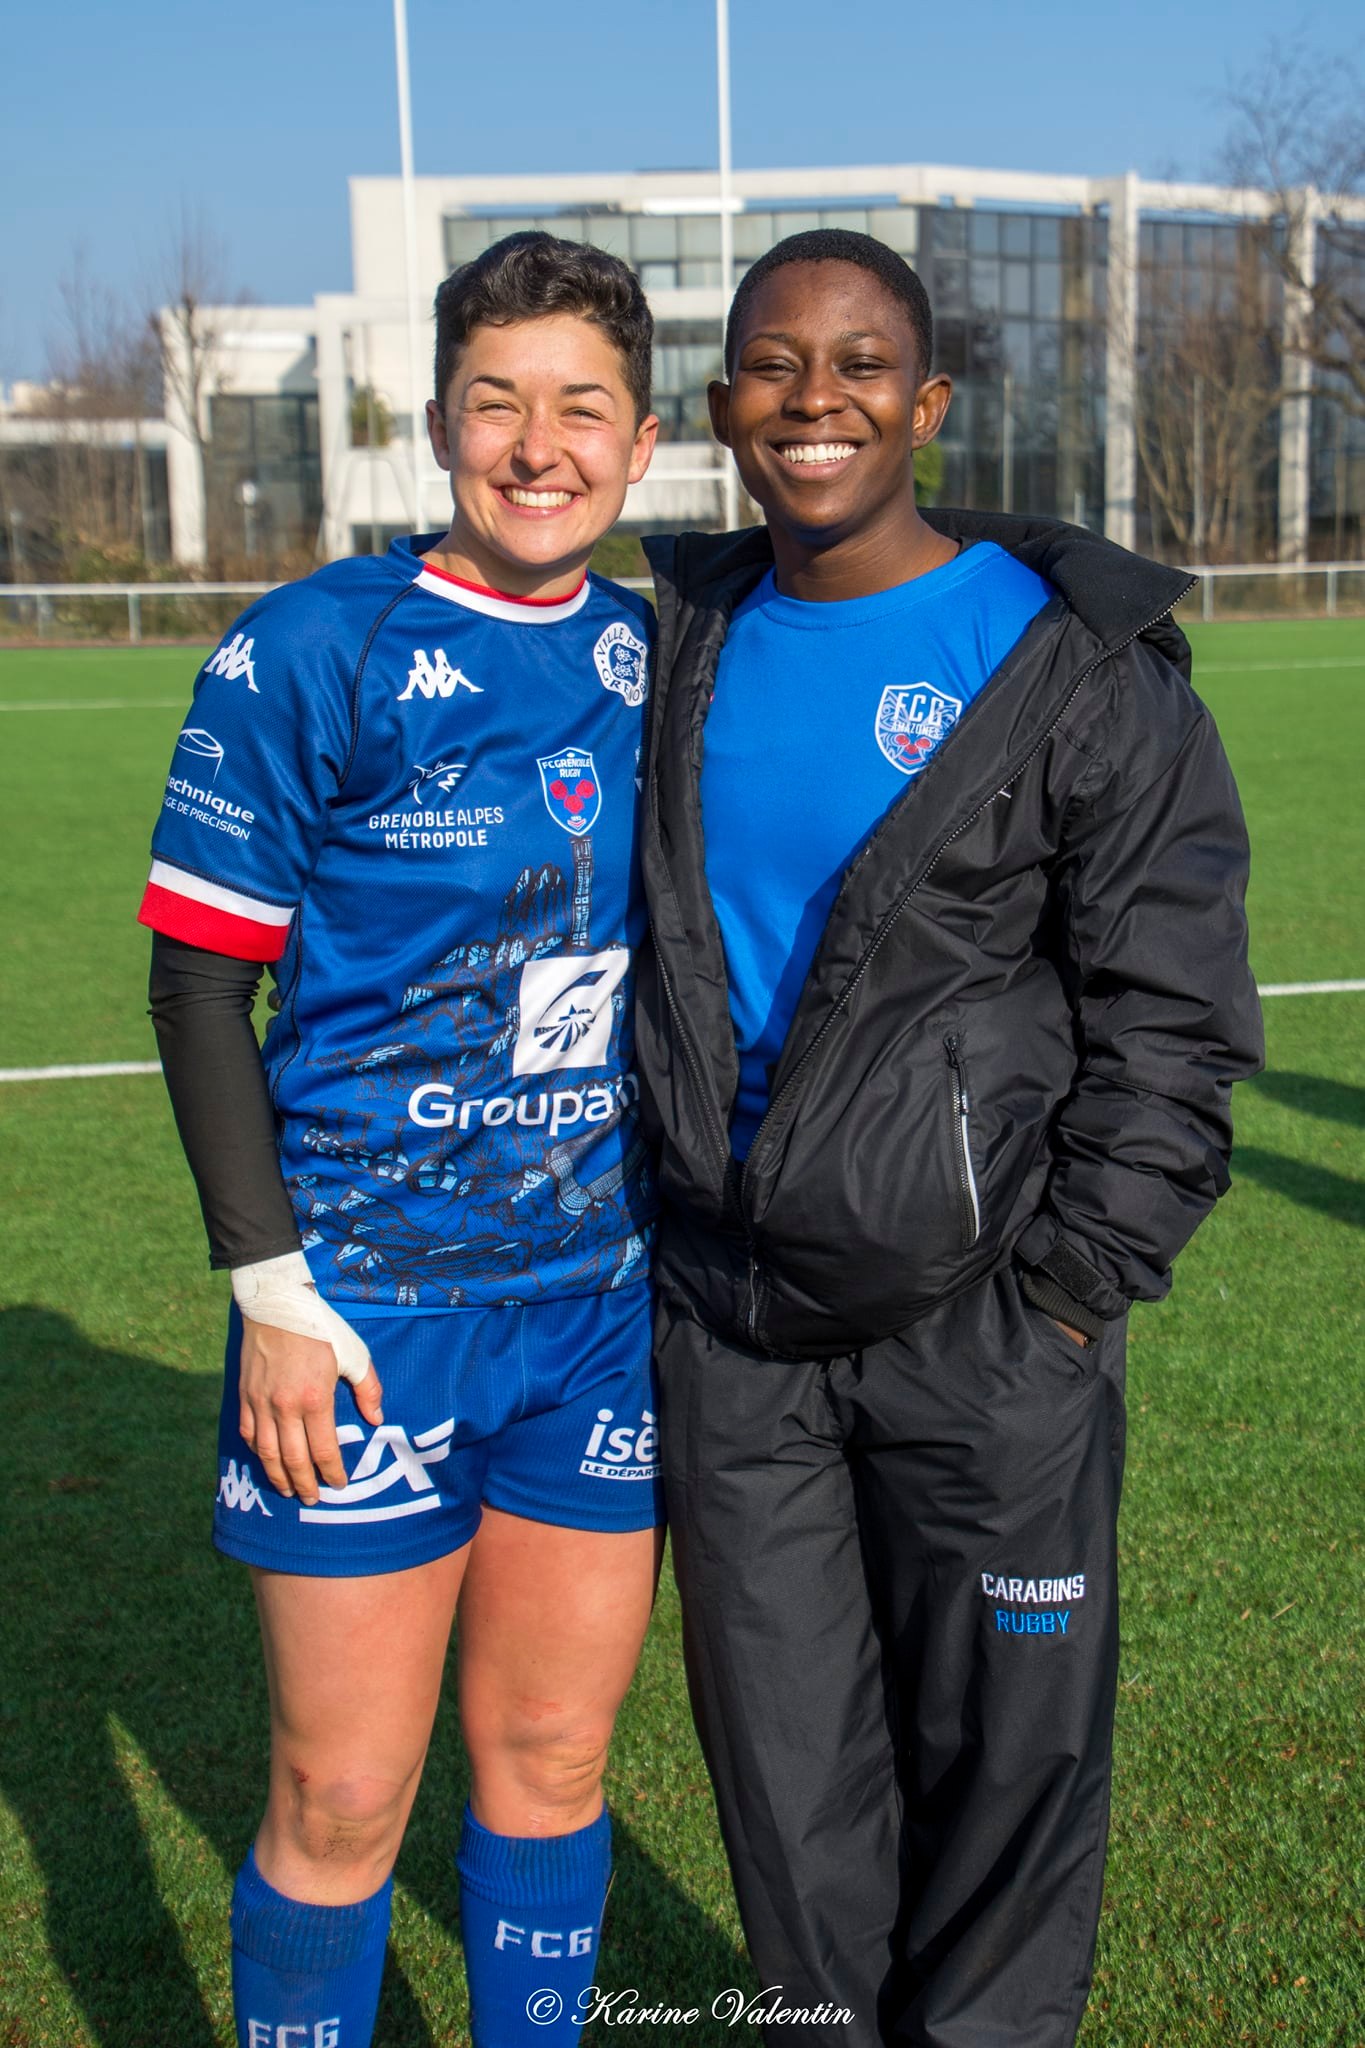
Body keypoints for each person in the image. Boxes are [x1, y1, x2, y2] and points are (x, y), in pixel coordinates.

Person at [636, 228, 1263, 2046]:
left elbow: (1173, 1020)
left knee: (1001, 1801)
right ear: (722, 405)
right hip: (732, 1333)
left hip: (986, 1338)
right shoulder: (677, 640)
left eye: (852, 366)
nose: (808, 400)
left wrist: (1065, 1300)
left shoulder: (1074, 667)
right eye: (770, 364)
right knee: (787, 1807)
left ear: (926, 402)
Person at [140, 232, 662, 2048]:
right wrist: (273, 1296)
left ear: (642, 438)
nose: (540, 444)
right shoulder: (313, 644)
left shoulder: (662, 645)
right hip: (357, 1321)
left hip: (599, 1310)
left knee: (548, 1755)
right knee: (346, 1799)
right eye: (498, 402)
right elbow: (197, 993)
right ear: (438, 424)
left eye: (581, 406)